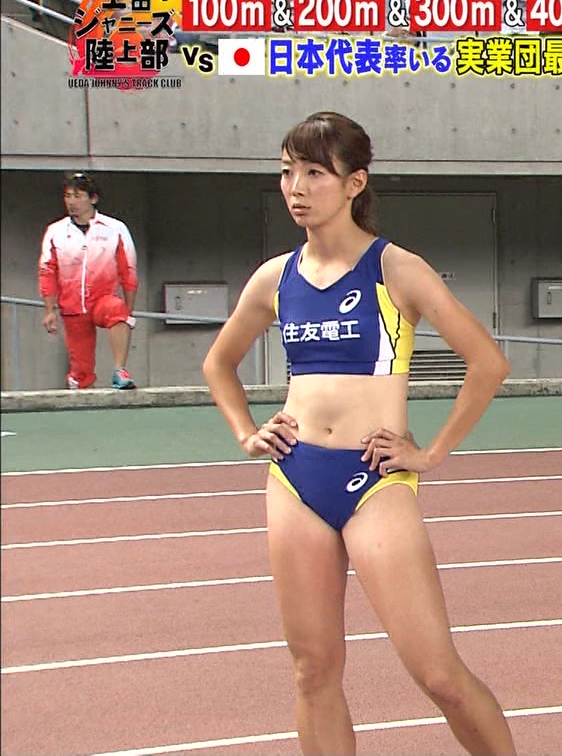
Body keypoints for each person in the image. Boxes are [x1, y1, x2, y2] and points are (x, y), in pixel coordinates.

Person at [202, 112, 516, 756]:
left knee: (438, 675)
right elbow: (218, 364)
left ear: (355, 183)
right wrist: (246, 433)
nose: (297, 187)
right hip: (295, 479)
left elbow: (488, 362)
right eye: (287, 171)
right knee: (312, 672)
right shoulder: (275, 278)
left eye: (315, 173)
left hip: (375, 481)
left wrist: (431, 453)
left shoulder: (396, 269)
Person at [38, 172, 139, 391]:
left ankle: (119, 370)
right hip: (72, 306)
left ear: (93, 198)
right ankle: (79, 385)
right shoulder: (55, 231)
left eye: (78, 196)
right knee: (81, 373)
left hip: (102, 298)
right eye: (68, 196)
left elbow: (128, 269)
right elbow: (47, 270)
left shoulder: (114, 228)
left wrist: (128, 309)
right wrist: (49, 310)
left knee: (116, 310)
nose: (71, 202)